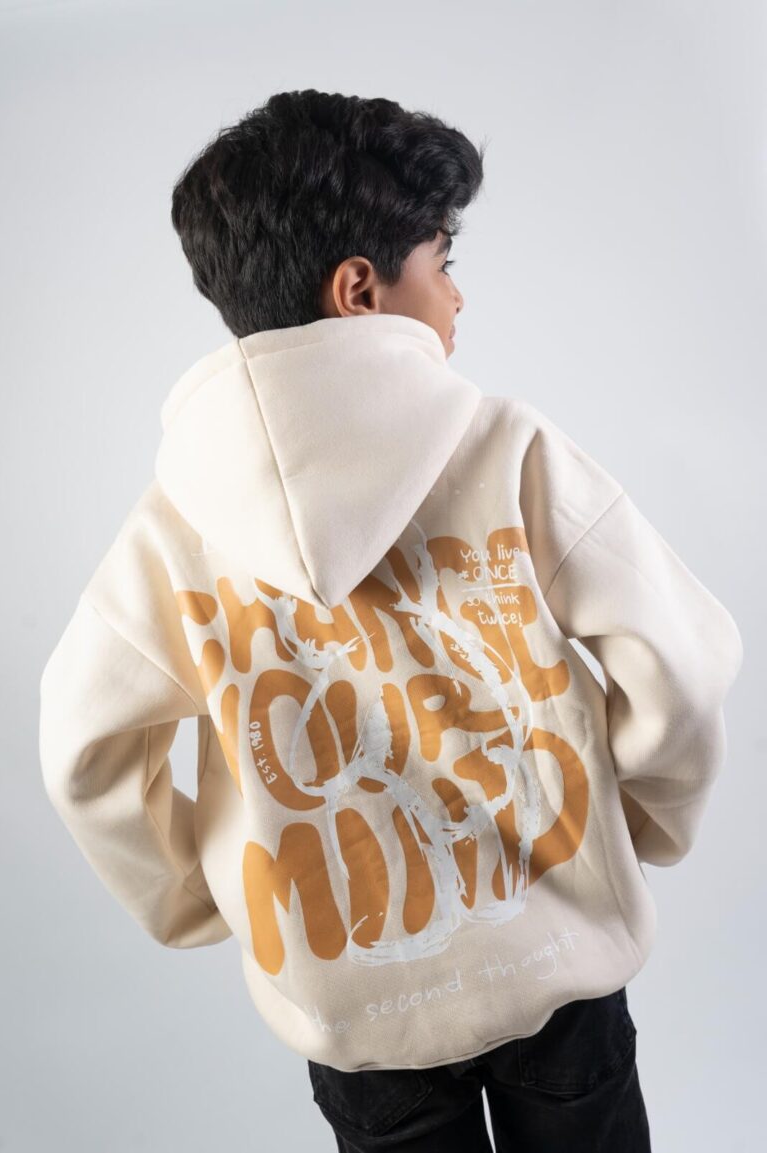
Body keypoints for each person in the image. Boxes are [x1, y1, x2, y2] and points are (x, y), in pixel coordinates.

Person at [38, 89, 743, 1151]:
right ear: (360, 288)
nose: (457, 297)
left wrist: (195, 891)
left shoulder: (171, 530)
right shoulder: (509, 451)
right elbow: (678, 658)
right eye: (442, 262)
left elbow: (82, 749)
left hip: (354, 1000)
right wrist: (645, 818)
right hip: (556, 947)